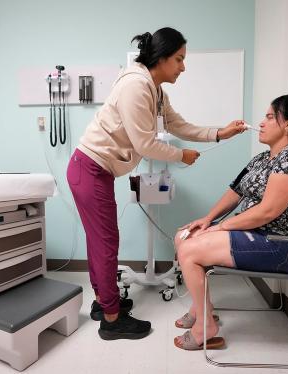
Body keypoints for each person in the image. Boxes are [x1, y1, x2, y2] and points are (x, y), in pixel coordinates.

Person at [66, 27, 246, 341]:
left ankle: (101, 302)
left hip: (95, 170)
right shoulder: (136, 87)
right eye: (179, 59)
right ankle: (111, 320)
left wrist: (220, 133)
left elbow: (179, 125)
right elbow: (145, 144)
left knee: (101, 242)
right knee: (106, 244)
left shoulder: (155, 90)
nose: (183, 67)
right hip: (90, 169)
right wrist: (181, 155)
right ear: (161, 59)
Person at [172, 93, 288, 350]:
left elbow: (267, 212)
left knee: (190, 249)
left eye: (270, 117)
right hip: (252, 235)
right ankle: (202, 309)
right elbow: (235, 191)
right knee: (184, 235)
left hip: (276, 245)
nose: (262, 122)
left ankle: (206, 326)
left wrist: (222, 226)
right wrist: (207, 220)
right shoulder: (263, 159)